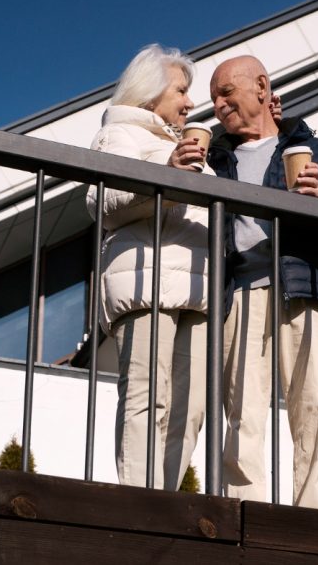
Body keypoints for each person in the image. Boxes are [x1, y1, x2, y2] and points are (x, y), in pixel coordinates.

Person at [207, 55, 318, 508]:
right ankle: (243, 510)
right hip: (240, 293)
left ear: (260, 86)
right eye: (214, 98)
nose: (217, 105)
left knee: (312, 407)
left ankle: (312, 514)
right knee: (242, 412)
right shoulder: (216, 159)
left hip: (307, 288)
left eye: (225, 93)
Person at [85, 43, 212, 490]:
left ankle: (168, 499)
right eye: (181, 90)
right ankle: (141, 500)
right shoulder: (118, 133)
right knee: (147, 396)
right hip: (146, 283)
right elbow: (102, 200)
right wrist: (167, 170)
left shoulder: (186, 146)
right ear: (149, 94)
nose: (190, 102)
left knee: (192, 407)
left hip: (197, 293)